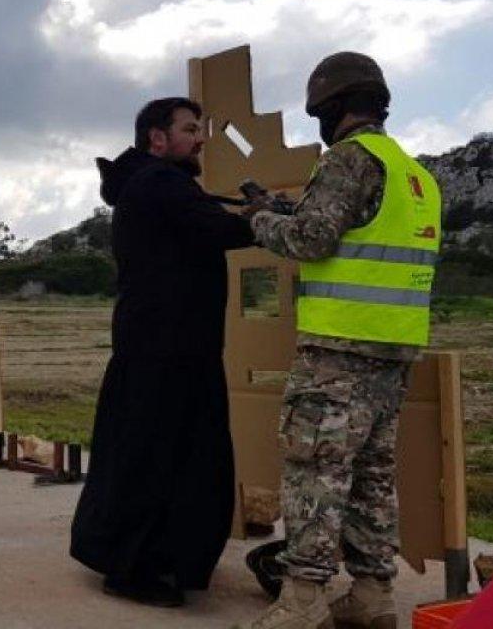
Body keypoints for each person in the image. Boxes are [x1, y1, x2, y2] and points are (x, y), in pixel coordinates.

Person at [237, 53, 441, 629]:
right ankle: (373, 597)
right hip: (393, 350)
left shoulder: (348, 159)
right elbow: (358, 236)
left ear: (335, 107)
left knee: (314, 470)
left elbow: (311, 240)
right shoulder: (414, 175)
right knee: (372, 475)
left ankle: (302, 601)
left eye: (319, 113)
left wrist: (261, 219)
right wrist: (290, 210)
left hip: (337, 351)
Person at [69, 97, 261, 608]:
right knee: (161, 458)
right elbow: (216, 228)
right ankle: (134, 568)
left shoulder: (151, 183)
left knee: (148, 453)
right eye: (190, 129)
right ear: (157, 138)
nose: (201, 139)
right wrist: (265, 218)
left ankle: (143, 557)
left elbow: (201, 225)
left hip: (164, 346)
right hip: (168, 350)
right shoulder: (159, 182)